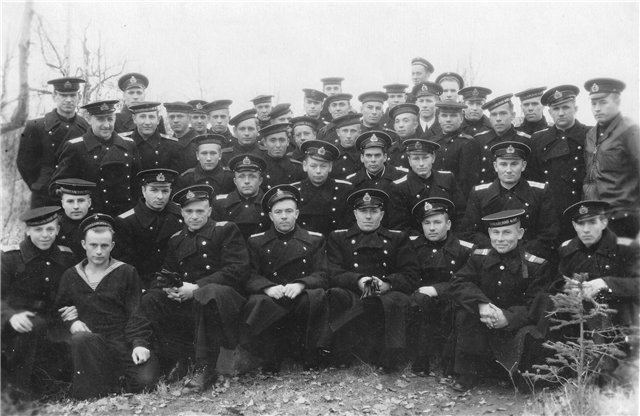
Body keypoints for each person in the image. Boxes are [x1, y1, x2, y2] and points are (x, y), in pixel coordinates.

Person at [141, 185, 248, 391]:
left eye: (200, 211)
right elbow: (167, 271)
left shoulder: (225, 230)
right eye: (189, 211)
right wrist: (169, 289)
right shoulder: (176, 239)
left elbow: (237, 269)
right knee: (151, 299)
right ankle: (179, 358)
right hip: (189, 298)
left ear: (209, 211)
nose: (194, 216)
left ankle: (205, 366)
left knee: (206, 294)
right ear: (182, 213)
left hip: (223, 298)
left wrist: (197, 287)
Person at [56, 213, 160, 399]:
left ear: (112, 246)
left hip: (122, 342)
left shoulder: (126, 272)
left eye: (104, 246)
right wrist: (72, 323)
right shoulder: (71, 275)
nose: (98, 251)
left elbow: (136, 312)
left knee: (145, 382)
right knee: (80, 339)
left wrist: (139, 344)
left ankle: (114, 379)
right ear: (83, 245)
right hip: (91, 344)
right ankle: (98, 387)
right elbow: (61, 310)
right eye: (93, 245)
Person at [448, 209, 552, 392]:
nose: (500, 239)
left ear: (520, 234)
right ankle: (468, 373)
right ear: (489, 233)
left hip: (514, 326)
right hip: (484, 320)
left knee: (529, 335)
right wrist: (481, 304)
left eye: (507, 232)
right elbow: (459, 283)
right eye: (495, 233)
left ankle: (507, 373)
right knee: (465, 314)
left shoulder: (535, 266)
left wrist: (508, 317)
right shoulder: (479, 258)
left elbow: (535, 304)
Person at [323, 189, 419, 371]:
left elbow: (410, 274)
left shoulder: (398, 238)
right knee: (335, 294)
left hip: (385, 292)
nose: (368, 216)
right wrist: (359, 280)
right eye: (363, 211)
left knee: (395, 301)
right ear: (355, 213)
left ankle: (389, 358)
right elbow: (333, 272)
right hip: (353, 290)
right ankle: (340, 355)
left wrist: (387, 283)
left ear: (381, 214)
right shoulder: (339, 237)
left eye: (374, 211)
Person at [241, 185, 329, 372]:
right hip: (272, 294)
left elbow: (322, 274)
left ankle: (308, 355)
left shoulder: (314, 239)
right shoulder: (256, 241)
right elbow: (249, 275)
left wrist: (301, 284)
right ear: (270, 216)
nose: (284, 216)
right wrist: (267, 287)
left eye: (289, 211)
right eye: (278, 212)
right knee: (258, 302)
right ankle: (268, 358)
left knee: (315, 297)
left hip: (299, 295)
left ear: (296, 214)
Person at [554, 200, 640, 384]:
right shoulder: (567, 250)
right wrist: (570, 287)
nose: (586, 230)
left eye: (592, 222)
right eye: (581, 223)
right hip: (581, 319)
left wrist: (605, 283)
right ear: (574, 226)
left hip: (620, 317)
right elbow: (557, 282)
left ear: (604, 222)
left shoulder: (625, 248)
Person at [2, 206, 76, 396]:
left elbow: (75, 290)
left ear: (57, 230)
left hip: (54, 322)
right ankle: (18, 393)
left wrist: (74, 308)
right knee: (31, 326)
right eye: (38, 230)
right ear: (27, 231)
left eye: (50, 229)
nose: (45, 235)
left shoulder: (66, 256)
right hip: (17, 324)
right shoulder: (10, 258)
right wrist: (10, 316)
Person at [406, 198, 474, 376]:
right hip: (420, 300)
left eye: (437, 222)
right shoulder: (411, 247)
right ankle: (421, 360)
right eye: (427, 223)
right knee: (420, 302)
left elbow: (468, 281)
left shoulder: (465, 249)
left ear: (448, 224)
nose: (432, 228)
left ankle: (449, 364)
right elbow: (407, 274)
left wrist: (438, 290)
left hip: (450, 298)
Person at [458, 141, 558, 262]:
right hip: (490, 259)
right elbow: (468, 233)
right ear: (495, 166)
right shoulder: (479, 194)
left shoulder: (540, 192)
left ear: (523, 165)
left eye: (514, 164)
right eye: (503, 164)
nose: (509, 170)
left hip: (527, 260)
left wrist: (519, 254)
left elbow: (548, 234)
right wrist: (497, 250)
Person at [51, 100, 140, 217]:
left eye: (110, 119)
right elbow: (57, 186)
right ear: (89, 119)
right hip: (92, 217)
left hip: (125, 215)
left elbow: (137, 184)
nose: (106, 125)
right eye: (100, 119)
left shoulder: (129, 145)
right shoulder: (75, 147)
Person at [528, 85, 591, 242]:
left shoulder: (590, 135)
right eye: (556, 108)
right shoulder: (538, 139)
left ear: (575, 108)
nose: (561, 113)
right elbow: (533, 179)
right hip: (549, 213)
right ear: (549, 112)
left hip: (582, 211)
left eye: (566, 107)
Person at [18, 77, 90, 208]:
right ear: (54, 96)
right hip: (44, 196)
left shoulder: (85, 126)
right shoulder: (36, 126)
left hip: (76, 196)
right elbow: (24, 163)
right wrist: (39, 185)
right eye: (63, 95)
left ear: (79, 97)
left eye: (72, 95)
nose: (68, 100)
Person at [583, 78, 639, 239]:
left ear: (617, 102)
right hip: (595, 216)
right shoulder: (591, 134)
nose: (597, 108)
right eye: (593, 103)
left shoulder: (630, 130)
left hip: (622, 218)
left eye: (603, 102)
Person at [115, 169, 183, 289]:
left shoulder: (181, 214)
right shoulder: (126, 222)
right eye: (154, 190)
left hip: (178, 283)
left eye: (165, 191)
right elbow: (126, 265)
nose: (160, 196)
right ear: (143, 190)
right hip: (143, 284)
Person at [389, 139, 461, 232]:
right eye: (416, 159)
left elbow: (460, 215)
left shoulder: (447, 178)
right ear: (409, 161)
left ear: (433, 158)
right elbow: (400, 226)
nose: (421, 164)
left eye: (425, 158)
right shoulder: (399, 187)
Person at [290, 140, 354, 235]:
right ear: (305, 166)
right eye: (313, 166)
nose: (318, 171)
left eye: (323, 166)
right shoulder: (294, 191)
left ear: (330, 167)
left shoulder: (345, 189)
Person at [474, 94, 532, 184]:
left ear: (513, 115)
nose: (498, 119)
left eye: (503, 114)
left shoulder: (525, 141)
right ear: (489, 118)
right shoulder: (479, 140)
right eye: (494, 114)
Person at [431, 100, 481, 201]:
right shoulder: (433, 142)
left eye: (453, 116)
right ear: (438, 118)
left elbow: (467, 181)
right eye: (444, 115)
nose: (448, 120)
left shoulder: (468, 143)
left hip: (457, 199)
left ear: (461, 118)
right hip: (433, 197)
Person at [212, 154, 270, 240]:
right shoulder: (220, 204)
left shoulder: (269, 203)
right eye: (241, 177)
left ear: (260, 180)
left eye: (252, 176)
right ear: (235, 181)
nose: (246, 181)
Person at [124, 101, 183, 173]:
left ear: (158, 120)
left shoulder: (172, 146)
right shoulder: (123, 143)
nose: (147, 122)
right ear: (134, 119)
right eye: (142, 117)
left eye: (151, 117)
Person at [346, 131, 407, 197]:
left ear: (385, 157)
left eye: (377, 155)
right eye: (369, 155)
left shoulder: (402, 177)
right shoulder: (352, 181)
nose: (373, 160)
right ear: (362, 158)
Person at [51, 178, 96, 259]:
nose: (76, 207)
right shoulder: (54, 226)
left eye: (81, 201)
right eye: (70, 201)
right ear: (63, 204)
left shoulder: (98, 223)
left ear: (89, 203)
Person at [259, 123, 305, 190]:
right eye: (273, 141)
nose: (278, 145)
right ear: (265, 143)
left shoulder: (297, 168)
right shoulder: (259, 168)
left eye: (282, 140)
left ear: (288, 142)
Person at [165, 101, 198, 172]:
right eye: (171, 117)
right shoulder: (166, 144)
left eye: (180, 116)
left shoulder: (198, 143)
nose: (175, 120)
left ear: (189, 118)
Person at [388, 103, 421, 168]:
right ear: (394, 126)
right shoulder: (390, 148)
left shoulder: (421, 148)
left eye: (406, 121)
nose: (401, 125)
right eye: (397, 121)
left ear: (415, 125)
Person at [330, 113, 363, 179]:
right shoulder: (331, 152)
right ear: (338, 132)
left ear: (359, 133)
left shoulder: (363, 153)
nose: (348, 136)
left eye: (353, 131)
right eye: (345, 131)